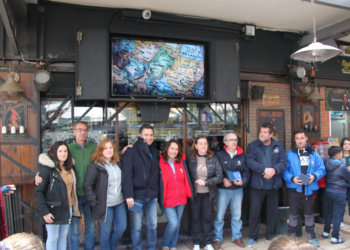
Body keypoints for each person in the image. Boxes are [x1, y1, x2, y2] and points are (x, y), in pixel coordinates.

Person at [35, 121, 97, 250]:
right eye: (79, 129)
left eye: (85, 129)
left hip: (89, 195)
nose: (82, 132)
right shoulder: (67, 148)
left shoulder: (93, 148)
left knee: (90, 229)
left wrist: (126, 149)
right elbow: (47, 161)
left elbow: (108, 155)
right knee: (72, 232)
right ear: (74, 131)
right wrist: (37, 175)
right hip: (72, 199)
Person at [246, 122, 287, 247]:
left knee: (272, 211)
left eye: (265, 132)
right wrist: (264, 170)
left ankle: (270, 235)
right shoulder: (253, 146)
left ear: (271, 134)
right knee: (255, 211)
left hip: (274, 185)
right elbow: (250, 162)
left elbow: (283, 162)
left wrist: (273, 170)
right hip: (257, 185)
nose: (262, 134)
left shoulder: (278, 146)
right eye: (261, 132)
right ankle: (253, 236)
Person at [34, 141, 80, 250]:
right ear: (54, 152)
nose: (63, 154)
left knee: (63, 236)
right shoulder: (47, 169)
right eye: (60, 151)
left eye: (65, 151)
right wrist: (44, 212)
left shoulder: (70, 168)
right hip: (53, 209)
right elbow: (38, 192)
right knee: (53, 237)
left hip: (67, 207)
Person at [283, 129, 325, 247]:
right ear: (294, 140)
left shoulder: (314, 154)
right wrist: (292, 178)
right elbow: (284, 171)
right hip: (294, 188)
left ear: (306, 138)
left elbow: (321, 169)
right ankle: (291, 237)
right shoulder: (289, 154)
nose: (300, 141)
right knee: (293, 213)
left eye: (302, 138)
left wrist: (314, 176)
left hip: (310, 188)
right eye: (297, 138)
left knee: (309, 214)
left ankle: (311, 237)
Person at [83, 139, 127, 250]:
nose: (108, 150)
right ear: (100, 150)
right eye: (105, 148)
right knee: (105, 232)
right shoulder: (95, 166)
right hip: (104, 205)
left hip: (119, 202)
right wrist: (95, 203)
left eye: (110, 148)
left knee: (121, 227)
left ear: (114, 149)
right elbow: (87, 185)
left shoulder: (118, 163)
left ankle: (112, 247)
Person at [122, 124, 160, 250]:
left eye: (151, 135)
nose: (148, 137)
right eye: (146, 135)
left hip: (152, 196)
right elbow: (126, 175)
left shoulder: (155, 151)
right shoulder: (131, 151)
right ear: (140, 135)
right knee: (137, 227)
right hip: (136, 197)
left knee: (152, 226)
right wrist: (128, 195)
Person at [213, 132, 250, 249]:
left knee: (237, 216)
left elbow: (246, 172)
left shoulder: (242, 155)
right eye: (231, 140)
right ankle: (217, 238)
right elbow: (215, 171)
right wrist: (223, 179)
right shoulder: (219, 155)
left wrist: (243, 181)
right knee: (219, 216)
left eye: (235, 139)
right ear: (225, 142)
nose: (234, 142)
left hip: (238, 190)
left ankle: (237, 237)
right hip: (223, 190)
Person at [187, 136, 223, 250]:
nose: (203, 146)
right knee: (196, 219)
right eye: (200, 143)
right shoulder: (190, 158)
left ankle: (207, 242)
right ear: (196, 146)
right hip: (195, 194)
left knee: (207, 218)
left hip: (209, 194)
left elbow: (220, 177)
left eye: (205, 143)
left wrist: (206, 182)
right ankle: (196, 243)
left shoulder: (214, 158)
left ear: (208, 145)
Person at [159, 139, 193, 250]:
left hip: (181, 198)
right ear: (167, 149)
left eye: (176, 149)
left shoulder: (181, 162)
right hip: (168, 199)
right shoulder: (161, 162)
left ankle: (173, 245)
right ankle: (165, 244)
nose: (174, 151)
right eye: (172, 148)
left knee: (177, 224)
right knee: (173, 223)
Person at [323, 146, 350, 244]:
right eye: (342, 154)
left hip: (328, 191)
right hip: (339, 193)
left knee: (329, 212)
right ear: (338, 155)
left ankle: (326, 232)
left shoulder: (326, 163)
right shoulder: (341, 166)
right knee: (337, 214)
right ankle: (335, 237)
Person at [340, 137, 350, 227]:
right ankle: (340, 221)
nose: (347, 146)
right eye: (345, 144)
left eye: (349, 144)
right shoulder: (339, 156)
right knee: (342, 203)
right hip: (342, 183)